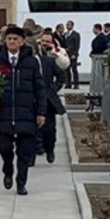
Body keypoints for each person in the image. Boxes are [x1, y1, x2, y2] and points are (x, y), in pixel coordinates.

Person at [0, 26, 47, 195]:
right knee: (5, 147)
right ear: (5, 40)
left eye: (15, 39)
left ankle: (21, 182)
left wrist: (41, 111)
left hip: (26, 113)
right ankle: (7, 169)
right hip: (4, 112)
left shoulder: (32, 62)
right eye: (9, 39)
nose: (12, 42)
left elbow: (40, 88)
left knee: (25, 151)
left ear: (22, 41)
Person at [36, 32, 69, 164]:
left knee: (49, 129)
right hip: (32, 99)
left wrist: (53, 88)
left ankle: (49, 149)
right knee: (32, 128)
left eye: (47, 41)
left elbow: (62, 75)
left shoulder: (50, 60)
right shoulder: (27, 61)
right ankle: (36, 149)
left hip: (47, 99)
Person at [63, 20, 82, 88]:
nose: (67, 26)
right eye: (67, 25)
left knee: (74, 69)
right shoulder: (65, 34)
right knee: (67, 69)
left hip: (72, 54)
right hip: (66, 54)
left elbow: (77, 45)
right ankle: (68, 83)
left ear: (72, 26)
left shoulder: (76, 34)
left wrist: (75, 54)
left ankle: (76, 84)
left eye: (69, 25)